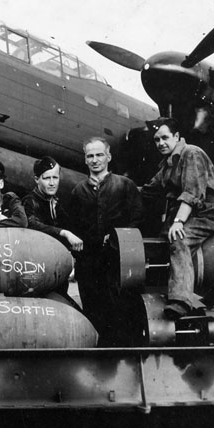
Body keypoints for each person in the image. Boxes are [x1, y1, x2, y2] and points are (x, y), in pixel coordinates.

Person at [141, 117, 214, 320]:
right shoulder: (168, 164)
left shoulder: (192, 154)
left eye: (164, 138)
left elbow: (192, 193)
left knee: (179, 239)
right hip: (186, 215)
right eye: (156, 140)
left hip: (205, 215)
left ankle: (181, 301)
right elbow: (148, 190)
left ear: (177, 137)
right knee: (164, 241)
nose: (160, 143)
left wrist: (178, 222)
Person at [69, 137, 143, 344]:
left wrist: (118, 237)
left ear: (108, 157)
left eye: (99, 155)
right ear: (85, 160)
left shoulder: (125, 186)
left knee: (123, 313)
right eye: (90, 156)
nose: (95, 160)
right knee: (94, 315)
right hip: (89, 265)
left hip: (119, 263)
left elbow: (137, 219)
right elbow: (74, 227)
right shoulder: (78, 191)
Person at [22, 156, 82, 251]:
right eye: (47, 178)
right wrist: (64, 233)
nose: (52, 183)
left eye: (55, 177)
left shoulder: (56, 202)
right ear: (37, 179)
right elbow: (32, 224)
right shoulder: (29, 201)